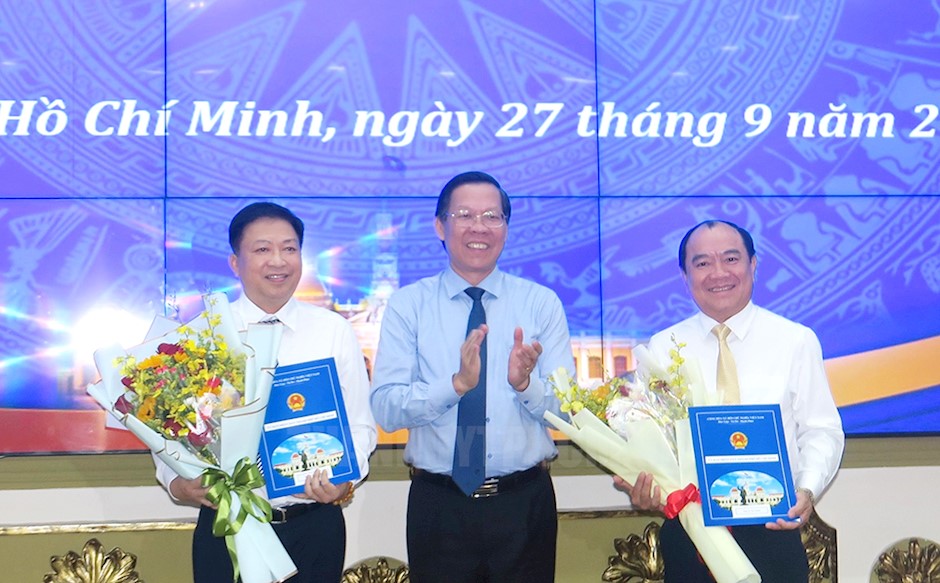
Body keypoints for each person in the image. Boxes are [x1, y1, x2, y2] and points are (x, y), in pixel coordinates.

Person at [154, 202, 378, 583]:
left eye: (290, 249)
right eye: (262, 249)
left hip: (314, 526)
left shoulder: (332, 330)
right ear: (235, 262)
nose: (279, 260)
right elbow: (168, 436)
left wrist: (345, 479)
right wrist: (177, 482)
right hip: (228, 525)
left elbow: (361, 425)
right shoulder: (204, 335)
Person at [370, 171, 574, 583]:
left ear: (506, 227)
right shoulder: (409, 305)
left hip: (523, 504)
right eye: (464, 215)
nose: (479, 227)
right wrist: (456, 385)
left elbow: (569, 415)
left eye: (492, 216)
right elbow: (386, 407)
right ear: (440, 226)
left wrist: (525, 385)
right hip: (440, 506)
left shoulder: (540, 303)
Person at [615, 219, 844, 583]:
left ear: (753, 264)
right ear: (684, 275)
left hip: (773, 529)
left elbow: (821, 430)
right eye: (702, 263)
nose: (718, 273)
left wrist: (807, 488)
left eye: (731, 259)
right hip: (691, 534)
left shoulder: (794, 341)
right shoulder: (662, 348)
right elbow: (650, 438)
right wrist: (644, 484)